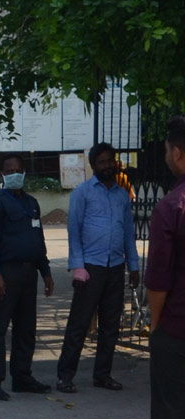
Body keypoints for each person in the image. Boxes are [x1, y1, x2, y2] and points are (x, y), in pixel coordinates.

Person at [120, 116, 185, 419]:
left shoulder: (171, 206)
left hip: (177, 328)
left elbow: (157, 279)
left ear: (178, 154)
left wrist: (154, 323)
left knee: (168, 412)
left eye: (165, 150)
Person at [55, 142, 140, 393]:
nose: (107, 166)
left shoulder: (122, 195)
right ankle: (65, 376)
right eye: (102, 162)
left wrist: (133, 267)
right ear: (93, 166)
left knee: (111, 326)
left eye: (110, 161)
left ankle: (102, 375)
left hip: (115, 266)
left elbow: (128, 234)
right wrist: (78, 267)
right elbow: (74, 232)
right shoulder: (82, 193)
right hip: (91, 269)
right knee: (79, 324)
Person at [0, 155, 55, 401]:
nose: (14, 174)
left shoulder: (31, 204)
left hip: (28, 273)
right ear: (2, 175)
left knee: (26, 329)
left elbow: (38, 240)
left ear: (24, 174)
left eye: (18, 170)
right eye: (9, 170)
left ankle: (22, 376)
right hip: (5, 273)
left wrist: (45, 272)